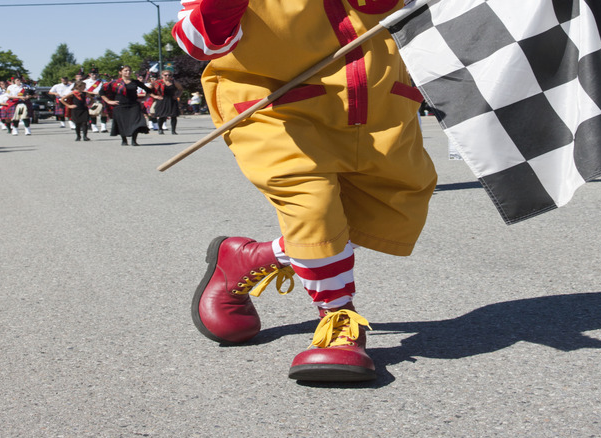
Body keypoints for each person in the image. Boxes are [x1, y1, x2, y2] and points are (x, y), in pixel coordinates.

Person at [172, 0, 436, 382]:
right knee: (312, 206)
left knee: (377, 214)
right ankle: (338, 322)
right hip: (277, 105)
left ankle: (248, 260)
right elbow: (196, 41)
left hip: (376, 106)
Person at [100, 65, 152, 146]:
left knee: (137, 122)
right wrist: (109, 101)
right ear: (120, 72)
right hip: (120, 105)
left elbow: (148, 90)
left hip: (133, 105)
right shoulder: (114, 82)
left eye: (129, 71)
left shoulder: (135, 82)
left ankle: (134, 141)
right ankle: (124, 140)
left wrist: (143, 99)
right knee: (122, 123)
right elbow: (102, 92)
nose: (128, 72)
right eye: (125, 71)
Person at [150, 70, 183, 134]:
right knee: (162, 116)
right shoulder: (157, 82)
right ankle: (160, 129)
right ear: (162, 75)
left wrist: (177, 95)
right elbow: (149, 90)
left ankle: (173, 130)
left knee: (174, 116)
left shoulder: (174, 82)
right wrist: (155, 96)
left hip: (172, 100)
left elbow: (181, 89)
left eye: (169, 75)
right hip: (162, 100)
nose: (167, 76)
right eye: (165, 75)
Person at [83, 68, 109, 133]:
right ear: (89, 74)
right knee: (93, 113)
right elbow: (83, 90)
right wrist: (93, 93)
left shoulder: (103, 81)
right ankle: (94, 126)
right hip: (91, 98)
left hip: (101, 98)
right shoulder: (85, 82)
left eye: (96, 74)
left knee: (104, 113)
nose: (94, 76)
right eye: (93, 74)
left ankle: (103, 127)